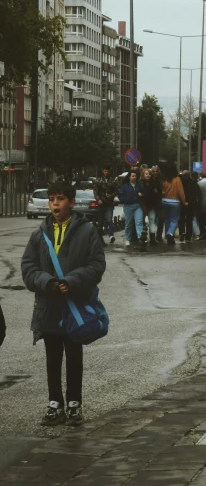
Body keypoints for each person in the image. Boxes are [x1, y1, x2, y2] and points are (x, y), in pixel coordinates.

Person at [21, 182, 105, 427]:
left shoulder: (87, 231)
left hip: (74, 304)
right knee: (52, 356)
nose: (55, 203)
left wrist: (72, 280)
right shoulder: (39, 235)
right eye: (51, 199)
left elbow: (96, 265)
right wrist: (46, 281)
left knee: (74, 355)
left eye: (60, 199)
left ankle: (74, 403)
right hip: (48, 304)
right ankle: (54, 403)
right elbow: (28, 268)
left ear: (71, 202)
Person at [160, 164, 187, 246]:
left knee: (167, 219)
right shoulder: (177, 179)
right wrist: (184, 201)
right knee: (174, 219)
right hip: (175, 201)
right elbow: (180, 192)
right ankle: (170, 234)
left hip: (164, 200)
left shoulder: (163, 180)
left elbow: (160, 189)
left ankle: (167, 235)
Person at [117, 169, 145, 250]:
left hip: (137, 205)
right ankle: (127, 239)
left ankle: (140, 238)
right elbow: (120, 195)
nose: (134, 177)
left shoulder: (139, 185)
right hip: (128, 206)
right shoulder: (125, 186)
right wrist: (124, 200)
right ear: (129, 177)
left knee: (139, 222)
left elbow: (144, 192)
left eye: (135, 176)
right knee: (128, 223)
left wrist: (141, 195)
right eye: (132, 176)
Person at [93, 166, 118, 244]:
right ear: (103, 171)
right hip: (101, 203)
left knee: (109, 219)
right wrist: (98, 199)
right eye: (105, 171)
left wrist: (112, 195)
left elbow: (116, 190)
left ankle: (111, 235)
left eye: (107, 171)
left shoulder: (112, 180)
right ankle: (99, 237)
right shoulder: (99, 180)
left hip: (109, 203)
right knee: (101, 221)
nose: (106, 173)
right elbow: (95, 191)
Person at [140, 167, 161, 246]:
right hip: (143, 205)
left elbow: (158, 193)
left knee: (152, 221)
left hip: (152, 205)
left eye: (149, 174)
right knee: (141, 221)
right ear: (143, 175)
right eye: (146, 174)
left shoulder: (154, 183)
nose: (148, 175)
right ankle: (142, 238)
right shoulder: (140, 183)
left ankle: (152, 238)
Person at [178, 170, 201, 242]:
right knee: (189, 220)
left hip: (182, 203)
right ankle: (188, 236)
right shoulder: (193, 183)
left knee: (181, 219)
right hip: (191, 204)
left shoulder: (180, 183)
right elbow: (198, 194)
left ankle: (182, 232)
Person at [151, 165, 165, 242]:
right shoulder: (150, 179)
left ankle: (159, 236)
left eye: (157, 171)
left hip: (160, 202)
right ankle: (152, 236)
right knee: (152, 220)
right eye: (154, 171)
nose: (155, 173)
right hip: (152, 202)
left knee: (161, 219)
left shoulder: (161, 179)